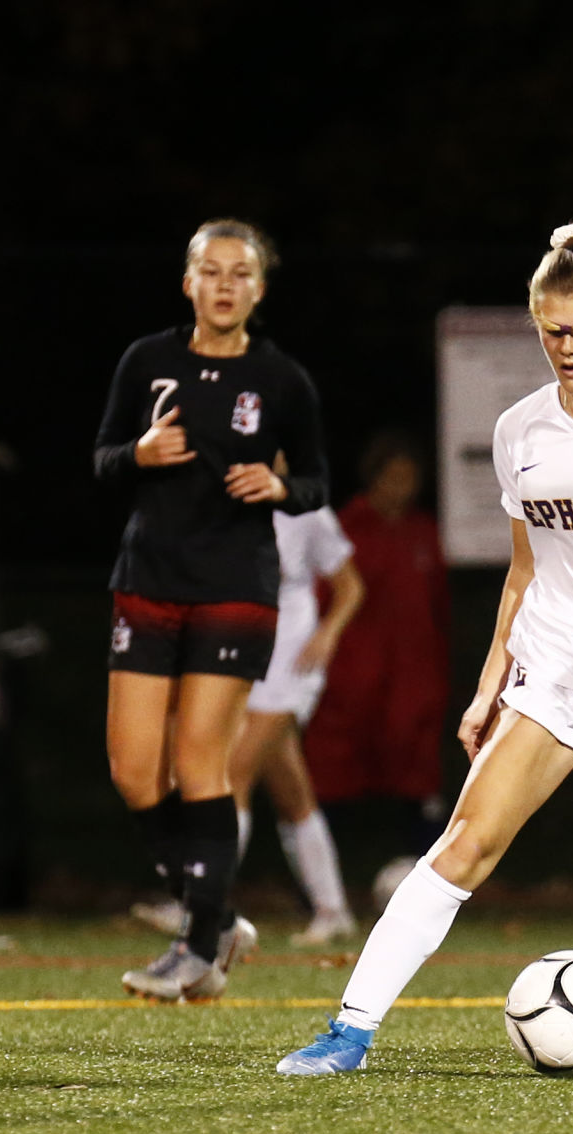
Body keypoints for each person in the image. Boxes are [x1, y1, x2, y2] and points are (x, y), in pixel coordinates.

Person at [275, 218, 573, 1075]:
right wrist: (486, 687)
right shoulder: (519, 432)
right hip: (563, 668)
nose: (565, 346)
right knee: (462, 844)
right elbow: (522, 572)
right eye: (550, 329)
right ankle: (348, 1032)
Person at [94, 218, 328, 1001]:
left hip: (235, 584)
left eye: (240, 273)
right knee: (133, 771)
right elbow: (101, 460)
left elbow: (316, 483)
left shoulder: (282, 380)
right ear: (187, 281)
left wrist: (278, 487)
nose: (224, 285)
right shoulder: (146, 362)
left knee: (200, 763)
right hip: (149, 578)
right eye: (210, 270)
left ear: (259, 289)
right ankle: (216, 915)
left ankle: (198, 947)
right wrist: (138, 455)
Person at [303, 430, 452, 902]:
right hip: (350, 683)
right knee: (330, 781)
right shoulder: (345, 528)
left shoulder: (424, 531)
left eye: (409, 478)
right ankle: (322, 893)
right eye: (392, 477)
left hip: (412, 684)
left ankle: (433, 893)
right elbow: (320, 602)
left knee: (418, 780)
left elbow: (439, 610)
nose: (401, 487)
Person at [233, 499, 364, 944]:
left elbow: (350, 587)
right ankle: (334, 911)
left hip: (293, 661)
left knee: (233, 772)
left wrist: (327, 634)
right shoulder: (229, 504)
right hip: (244, 657)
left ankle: (198, 903)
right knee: (291, 790)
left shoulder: (306, 511)